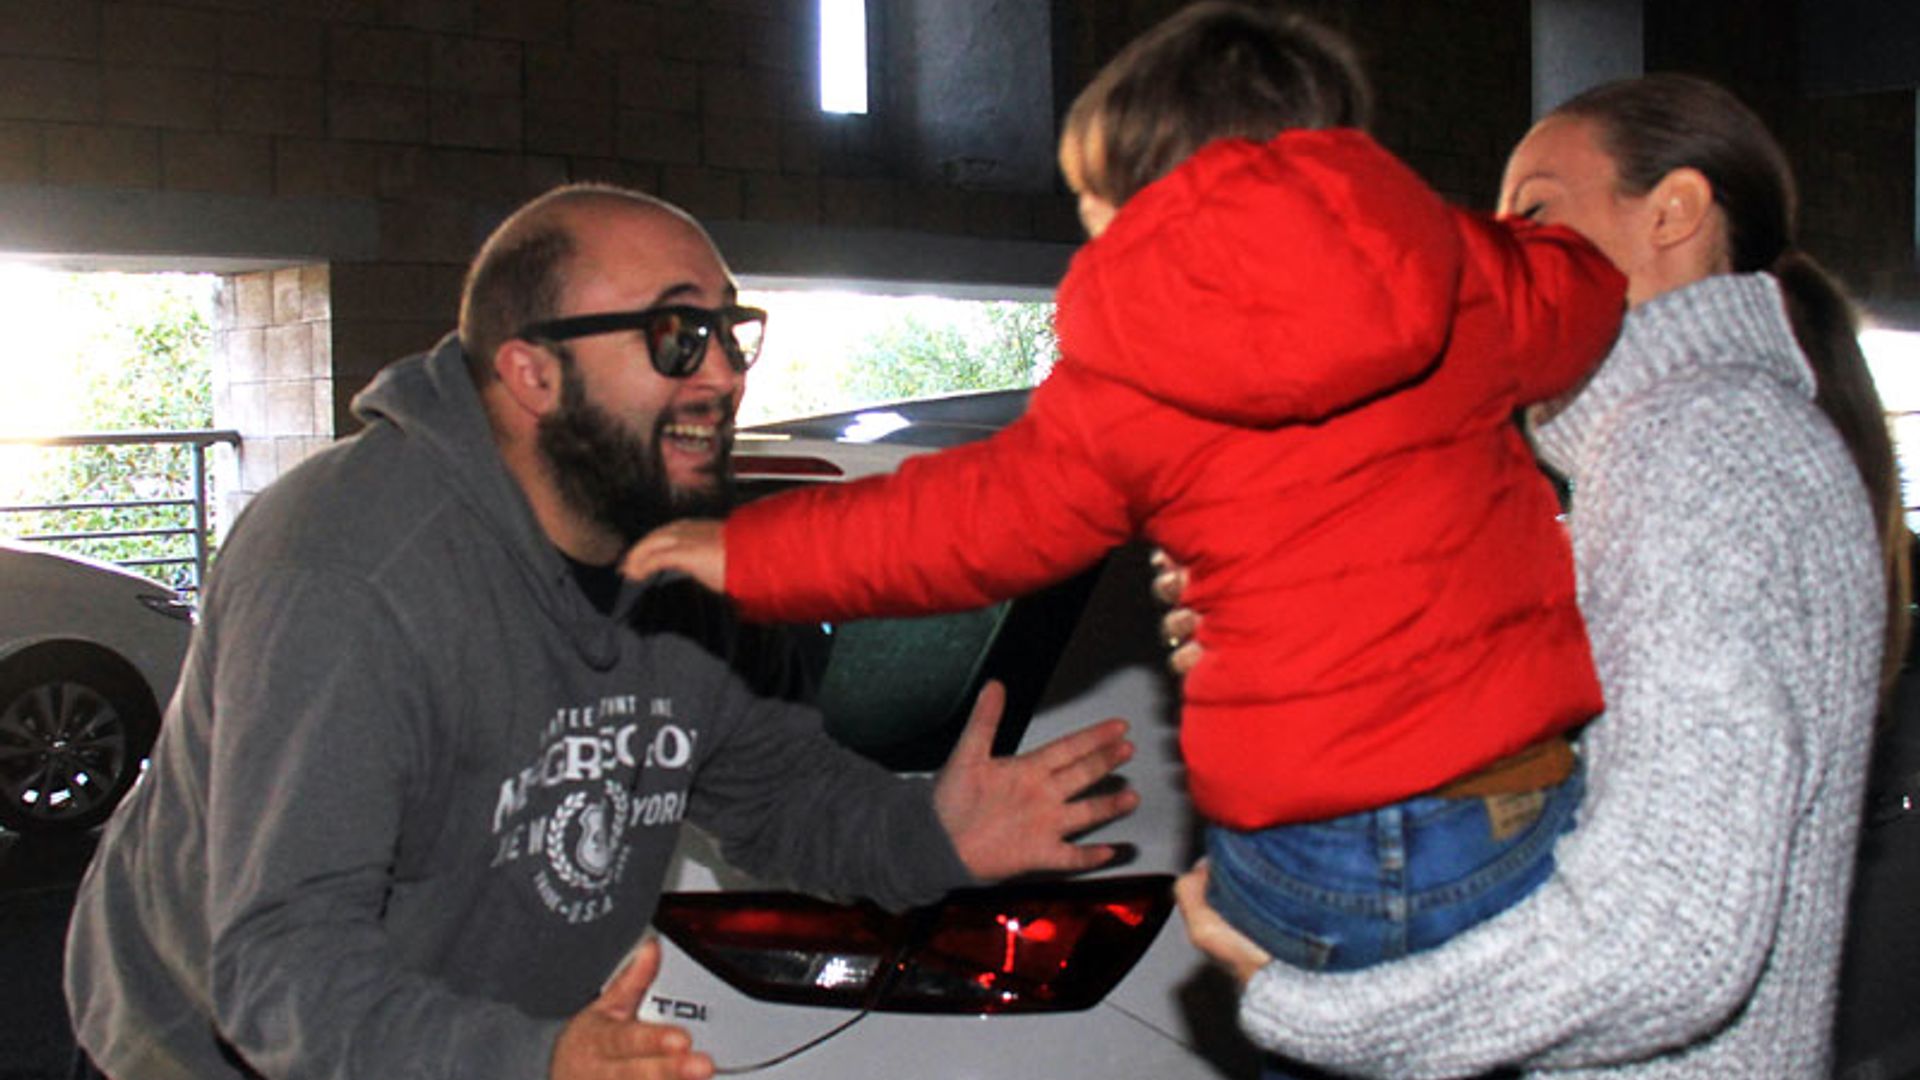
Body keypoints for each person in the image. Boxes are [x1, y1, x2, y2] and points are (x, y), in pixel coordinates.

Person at [622, 0, 1626, 979]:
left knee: (1322, 1040)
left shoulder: (1140, 371)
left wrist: (748, 551)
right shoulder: (1461, 268)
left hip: (1298, 841)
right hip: (1503, 800)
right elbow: (1589, 300)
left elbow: (959, 525)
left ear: (1145, 192)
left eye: (1096, 209)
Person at [61, 183, 1140, 1080]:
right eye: (677, 335)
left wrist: (931, 835)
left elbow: (777, 795)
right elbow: (282, 970)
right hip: (205, 1051)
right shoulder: (347, 571)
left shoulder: (692, 554)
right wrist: (532, 1061)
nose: (724, 372)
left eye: (731, 332)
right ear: (532, 371)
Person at [1169, 72, 1906, 1079]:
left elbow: (1672, 934)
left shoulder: (1696, 441)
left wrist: (1310, 1009)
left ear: (1674, 213)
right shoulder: (1713, 442)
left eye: (1535, 213)